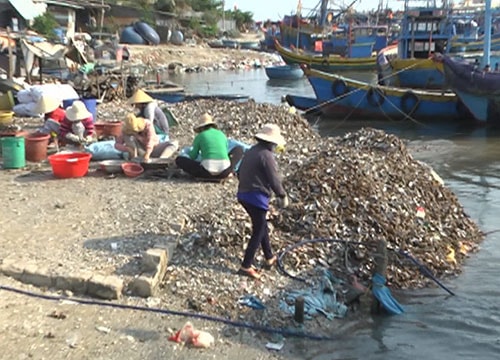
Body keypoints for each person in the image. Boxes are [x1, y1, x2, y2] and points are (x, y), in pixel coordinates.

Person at [236, 124, 288, 279]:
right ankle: (246, 265)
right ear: (272, 142)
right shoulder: (267, 155)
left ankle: (269, 257)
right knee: (258, 230)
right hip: (255, 197)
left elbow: (239, 172)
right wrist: (282, 195)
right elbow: (274, 179)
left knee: (262, 224)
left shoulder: (252, 150)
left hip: (243, 194)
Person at [175, 113, 244, 180]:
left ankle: (205, 176)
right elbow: (224, 152)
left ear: (201, 128)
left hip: (206, 172)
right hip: (224, 172)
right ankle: (230, 172)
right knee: (239, 149)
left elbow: (193, 156)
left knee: (179, 160)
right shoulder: (221, 134)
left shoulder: (200, 136)